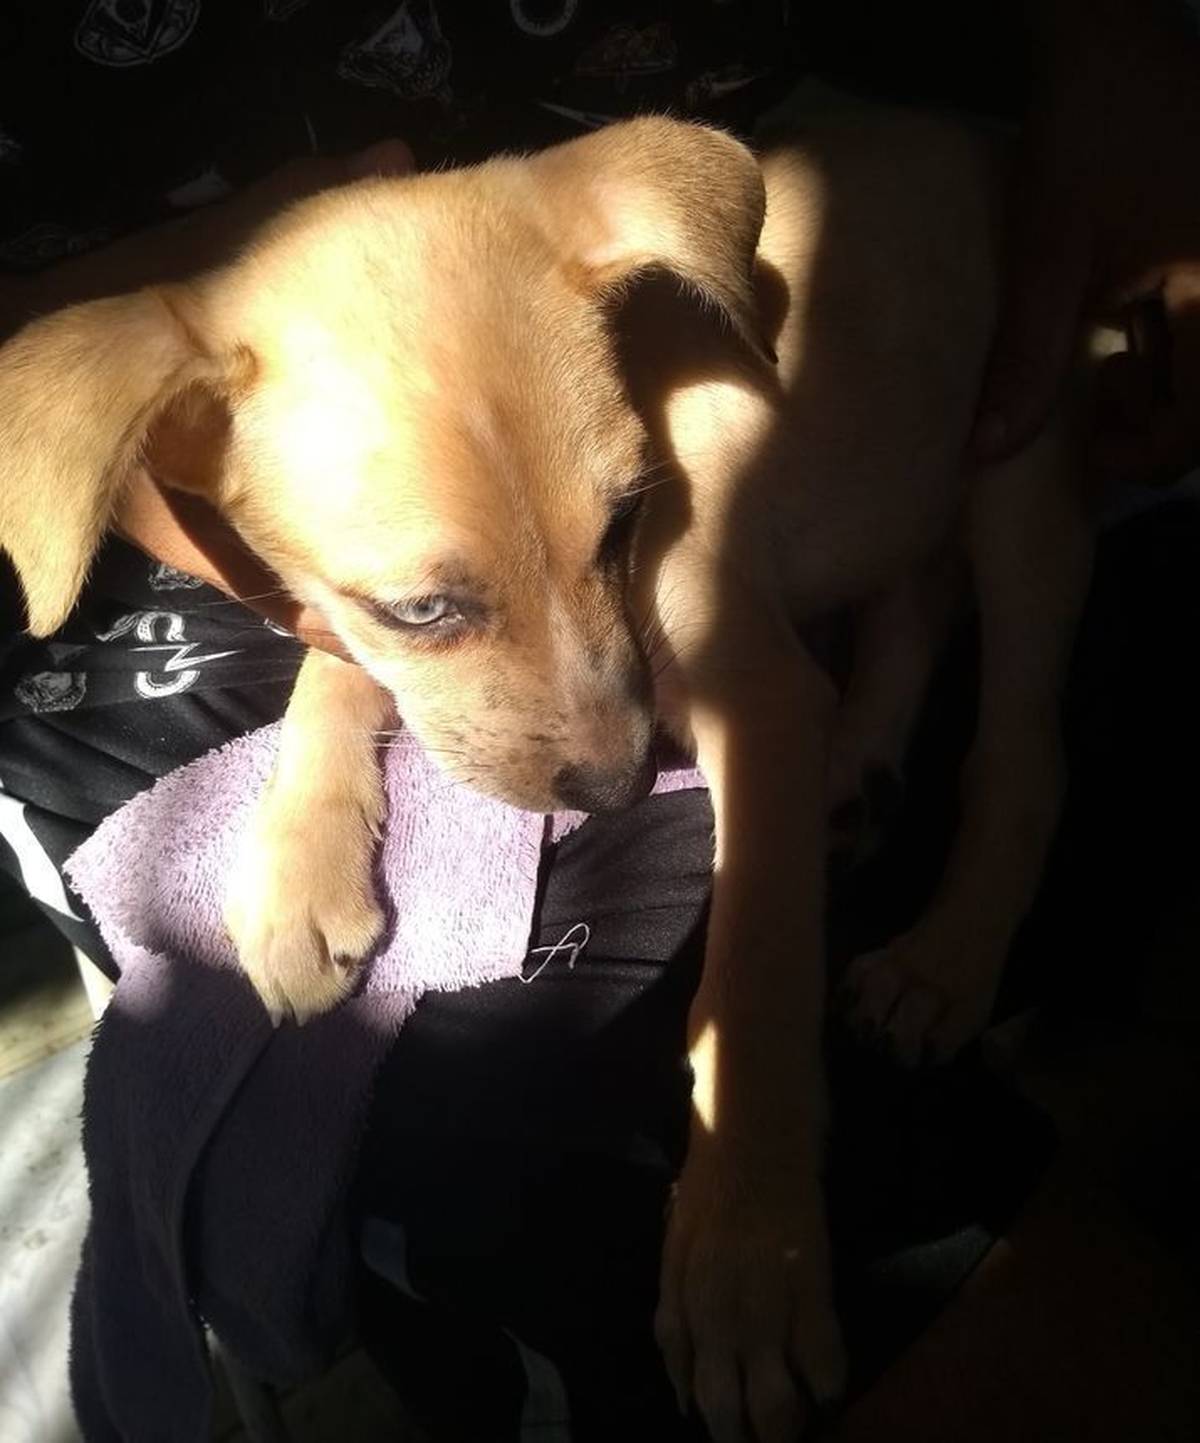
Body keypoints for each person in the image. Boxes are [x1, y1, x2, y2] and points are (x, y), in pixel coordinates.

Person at [3, 2, 1200, 1439]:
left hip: (920, 319)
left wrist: (754, 1134)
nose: (606, 741)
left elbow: (694, 668)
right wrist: (324, 772)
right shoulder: (265, 431)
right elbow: (347, 584)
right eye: (435, 609)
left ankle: (999, 798)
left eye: (613, 523)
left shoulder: (572, 330)